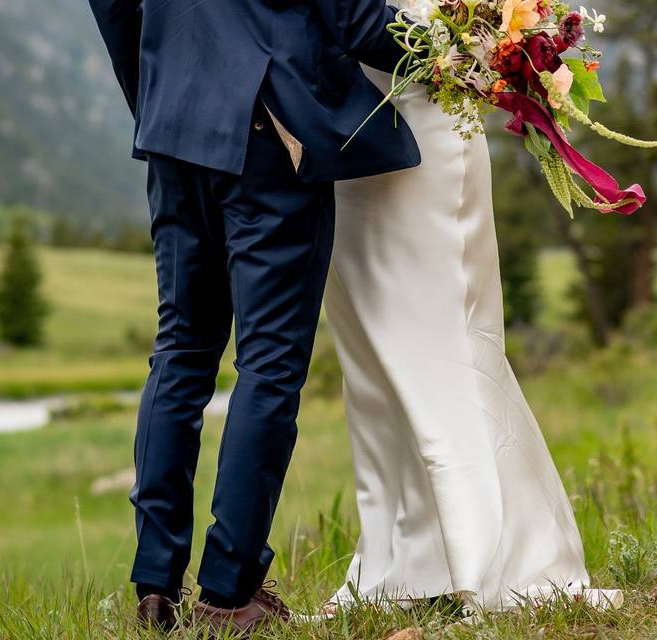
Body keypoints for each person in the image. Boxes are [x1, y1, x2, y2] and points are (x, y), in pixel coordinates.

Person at [87, 0, 420, 634]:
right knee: (269, 362)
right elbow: (357, 22)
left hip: (171, 125)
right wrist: (468, 56)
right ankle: (229, 591)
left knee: (181, 349)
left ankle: (156, 586)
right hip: (267, 125)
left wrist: (161, 94)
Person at [319, 1, 623, 615]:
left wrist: (487, 46)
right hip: (355, 123)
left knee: (446, 338)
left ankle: (488, 557)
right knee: (376, 359)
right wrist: (465, 51)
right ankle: (406, 562)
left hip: (432, 119)